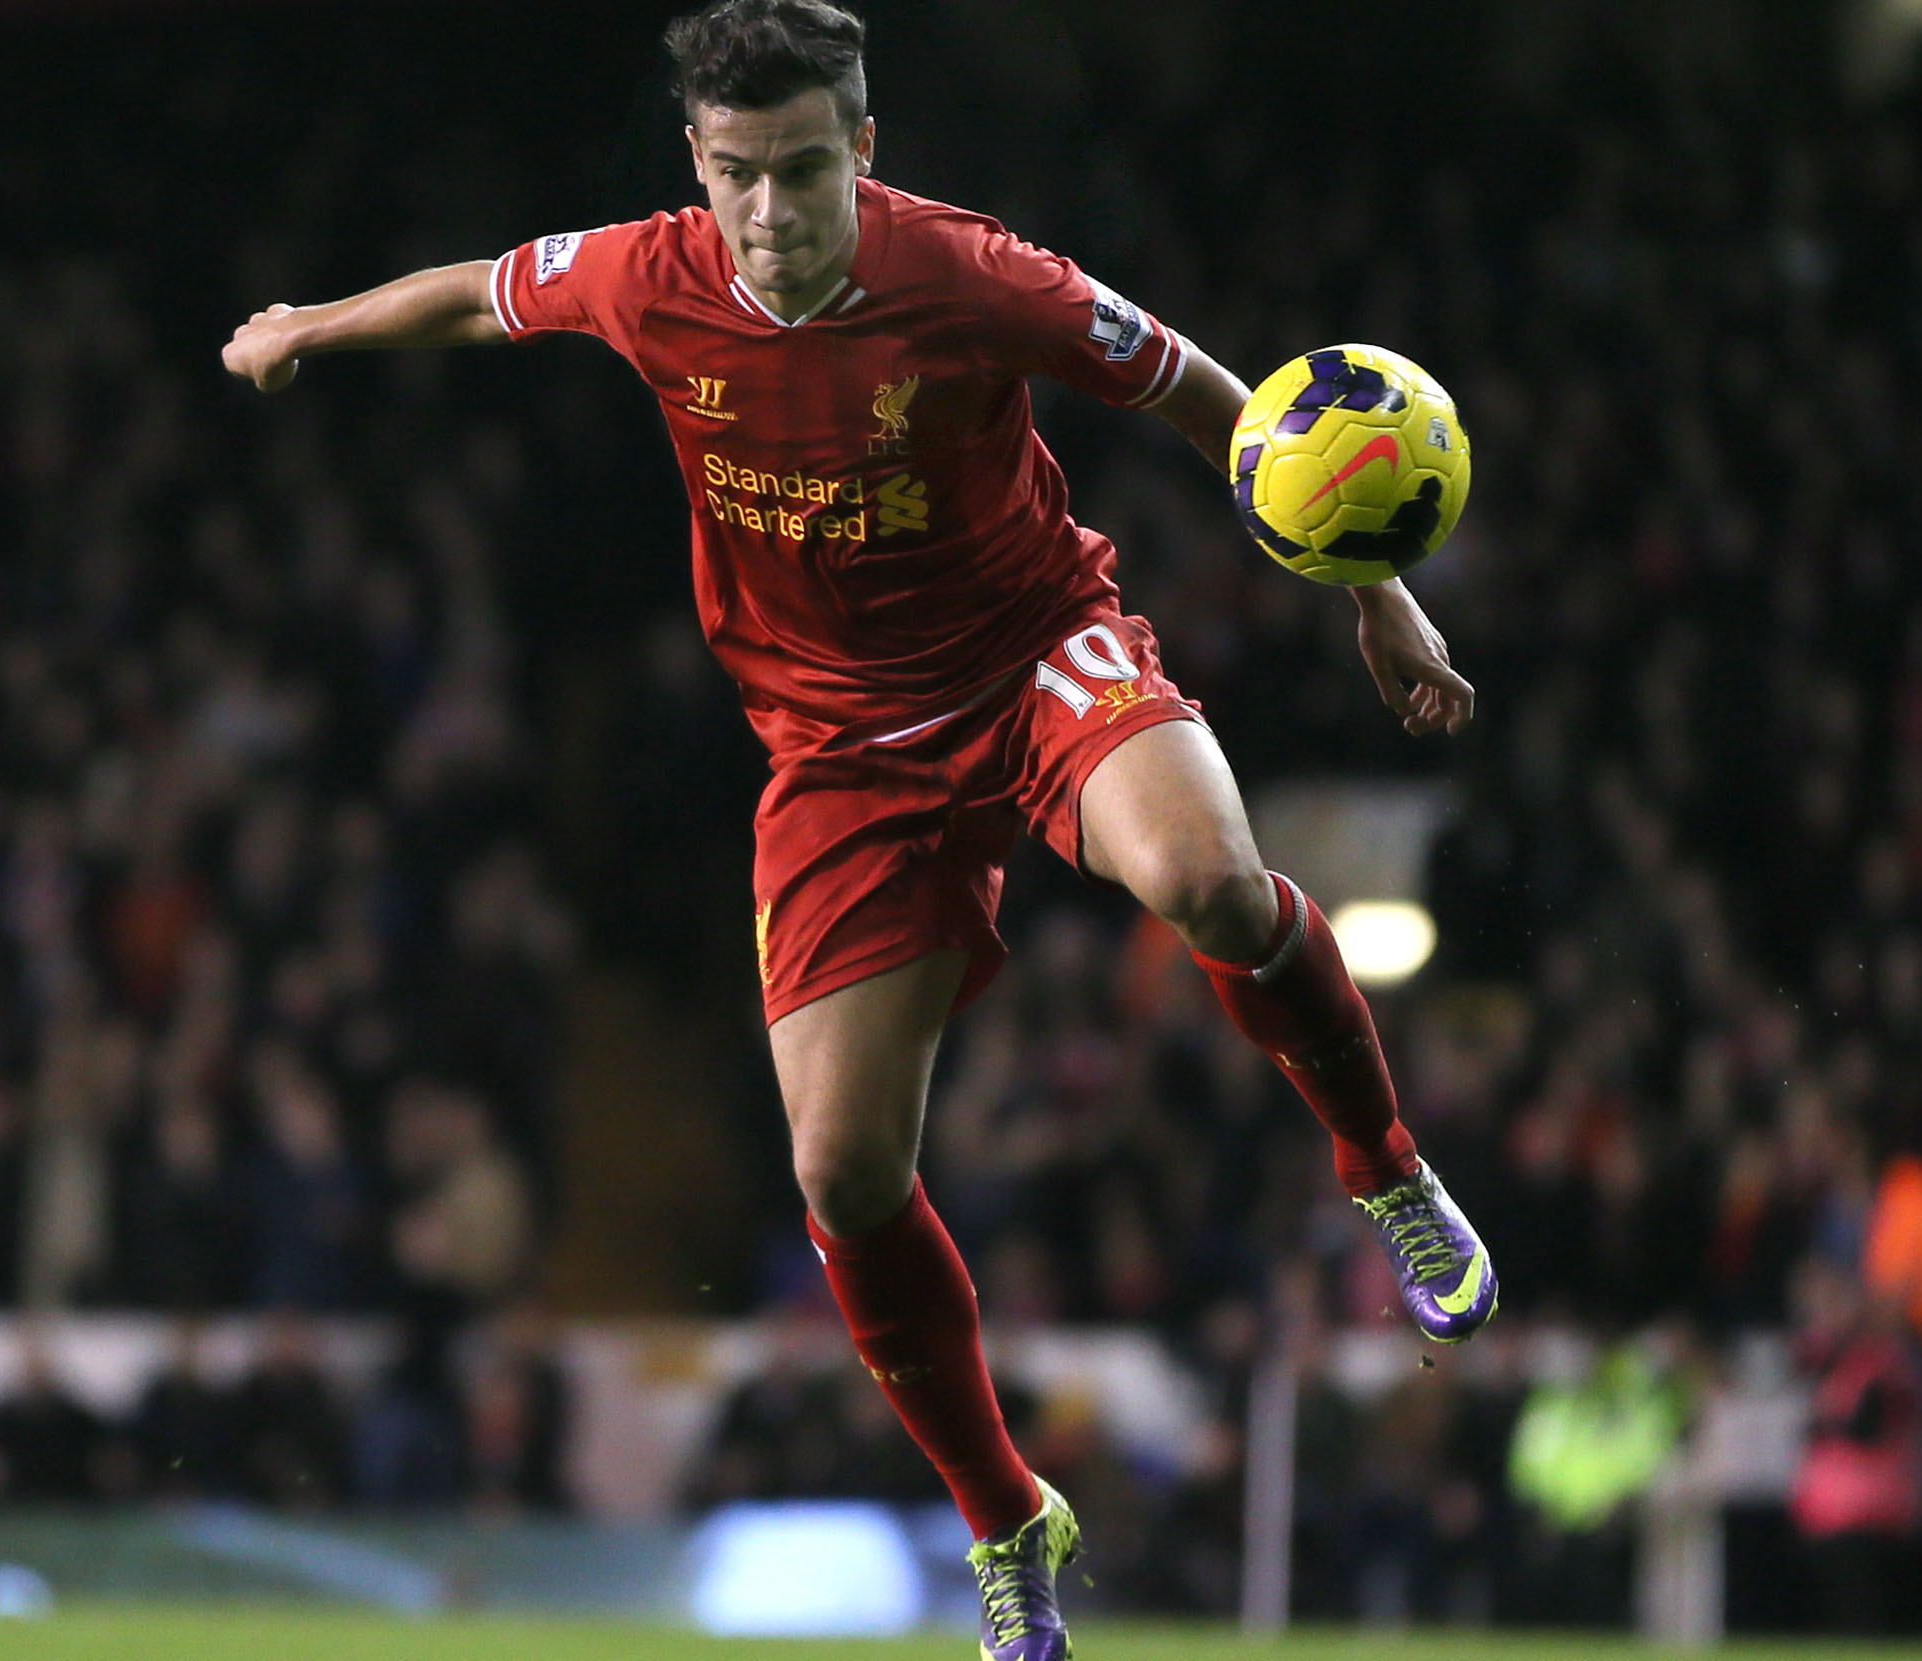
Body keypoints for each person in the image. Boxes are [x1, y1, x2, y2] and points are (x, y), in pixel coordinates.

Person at [219, 3, 1496, 1650]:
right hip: (833, 750)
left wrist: (1372, 594)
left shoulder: (974, 276)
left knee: (1205, 879)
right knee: (838, 1166)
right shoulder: (645, 274)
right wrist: (311, 325)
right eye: (739, 174)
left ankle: (1386, 1171)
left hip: (1035, 655)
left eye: (804, 169)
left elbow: (1205, 396)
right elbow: (480, 295)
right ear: (699, 162)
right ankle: (1006, 1518)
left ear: (862, 151)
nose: (770, 211)